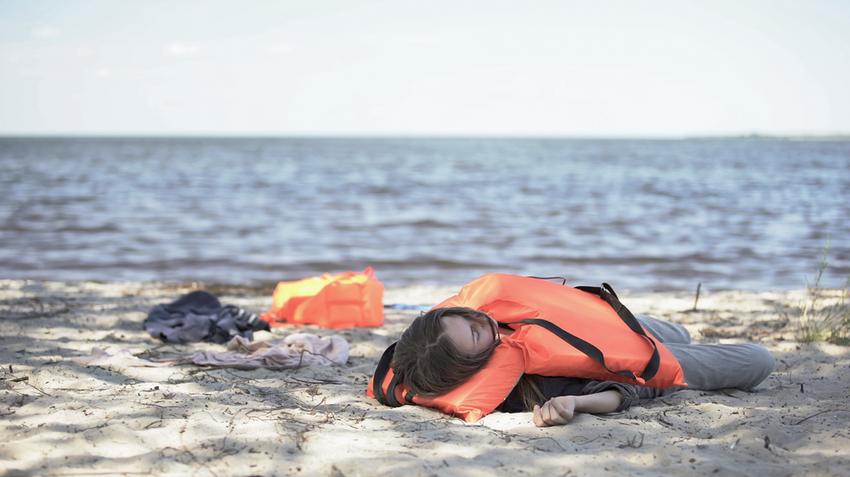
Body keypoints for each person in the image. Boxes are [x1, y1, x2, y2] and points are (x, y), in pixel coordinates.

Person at [389, 305, 775, 427]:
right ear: (474, 363)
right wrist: (578, 404)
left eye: (470, 317)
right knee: (761, 359)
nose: (485, 323)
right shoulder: (527, 384)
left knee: (679, 330)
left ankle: (664, 337)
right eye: (476, 336)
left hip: (608, 333)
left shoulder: (453, 334)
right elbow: (624, 391)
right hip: (636, 368)